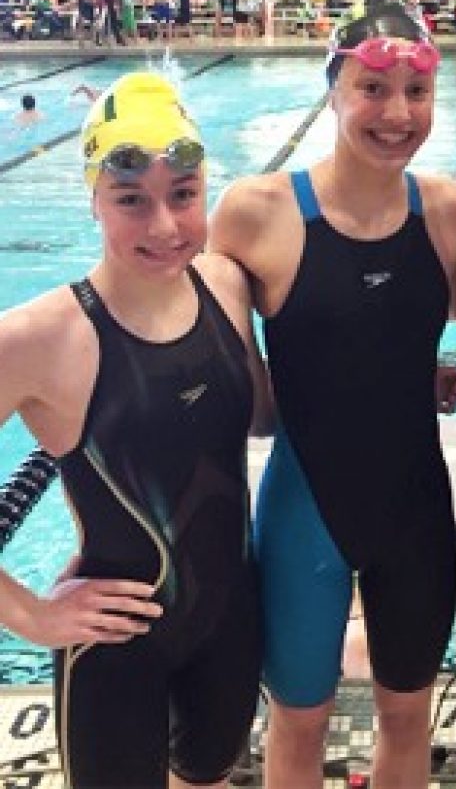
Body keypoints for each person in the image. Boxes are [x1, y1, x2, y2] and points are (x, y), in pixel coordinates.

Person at [208, 0, 456, 788]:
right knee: (297, 723)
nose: (397, 114)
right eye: (372, 89)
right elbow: (235, 387)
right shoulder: (255, 213)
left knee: (407, 717)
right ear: (333, 91)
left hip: (414, 512)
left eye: (416, 93)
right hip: (306, 511)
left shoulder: (447, 210)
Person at [0, 72, 271, 788]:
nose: (163, 226)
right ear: (92, 199)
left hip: (230, 621)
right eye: (130, 201)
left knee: (209, 778)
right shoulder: (39, 337)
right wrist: (29, 615)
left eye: (183, 194)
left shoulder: (225, 286)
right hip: (114, 646)